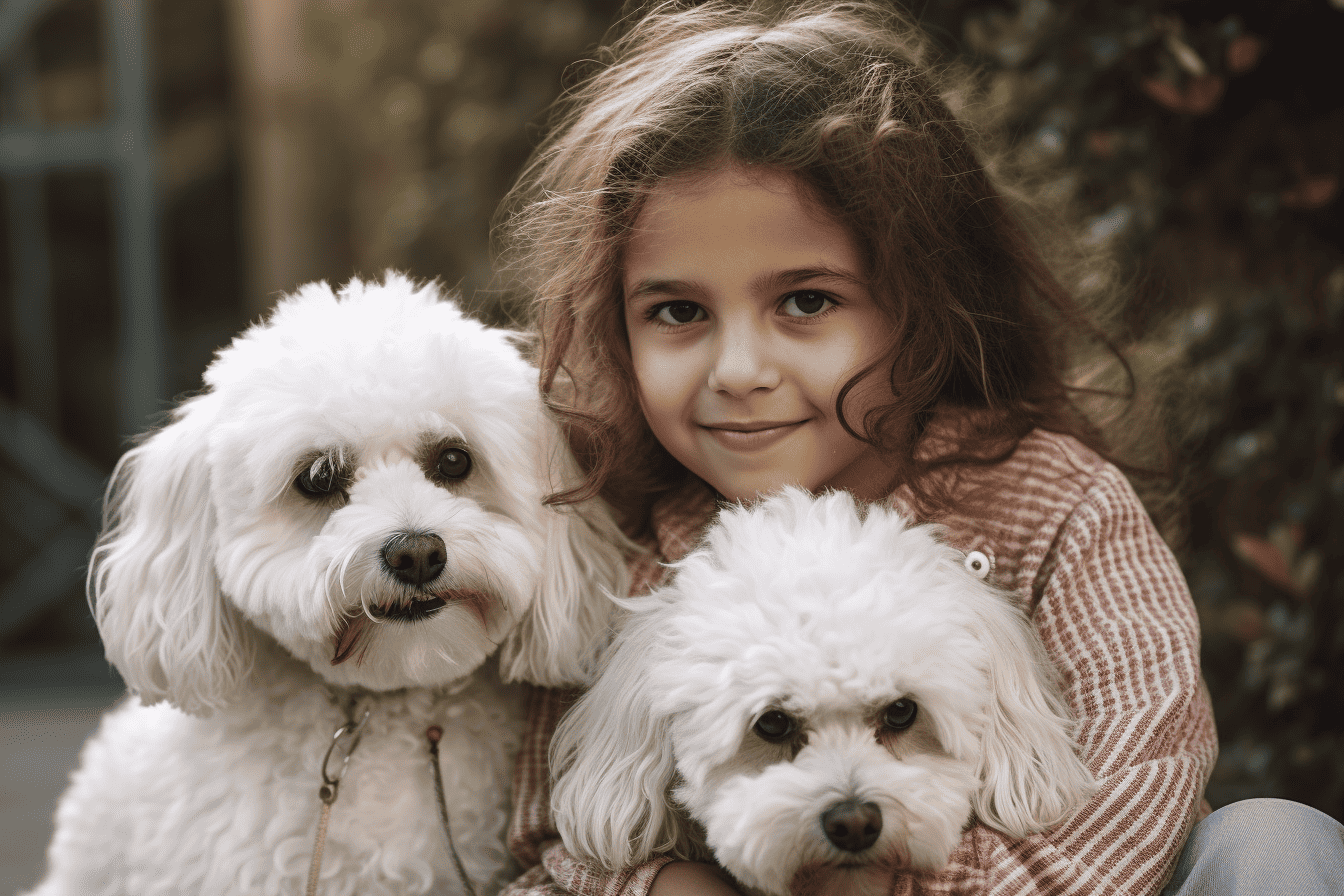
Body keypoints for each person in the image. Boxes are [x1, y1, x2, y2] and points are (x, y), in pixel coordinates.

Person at [491, 1, 1344, 894]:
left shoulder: (1057, 507)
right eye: (679, 312)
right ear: (619, 333)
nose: (738, 370)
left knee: (1274, 841)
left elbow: (1139, 796)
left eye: (807, 302)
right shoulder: (626, 549)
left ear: (920, 301)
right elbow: (553, 842)